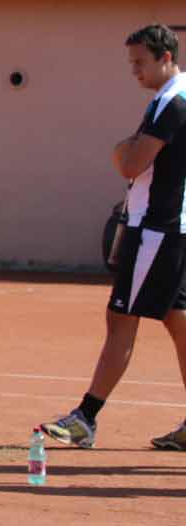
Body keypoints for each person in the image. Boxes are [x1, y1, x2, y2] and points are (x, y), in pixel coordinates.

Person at [43, 25, 186, 451]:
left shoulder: (172, 103)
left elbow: (130, 163)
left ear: (165, 57)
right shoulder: (171, 98)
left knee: (121, 319)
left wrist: (122, 148)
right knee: (179, 322)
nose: (134, 71)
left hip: (157, 229)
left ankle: (85, 418)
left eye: (140, 62)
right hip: (170, 228)